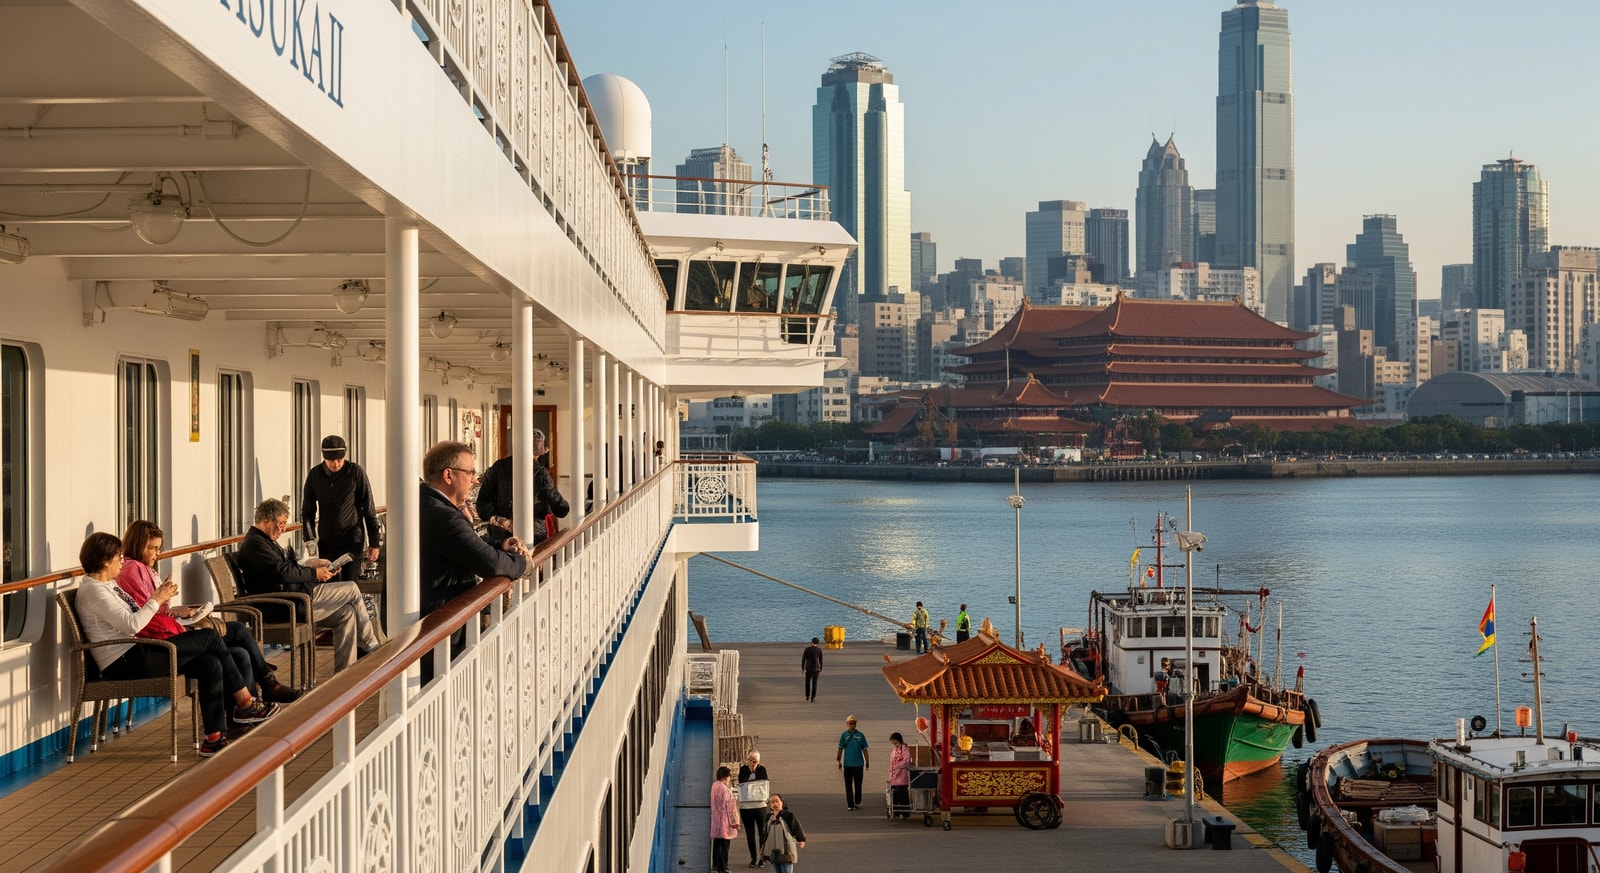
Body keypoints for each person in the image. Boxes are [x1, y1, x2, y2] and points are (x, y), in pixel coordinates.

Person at [74, 532, 278, 757]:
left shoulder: (108, 586)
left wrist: (167, 610)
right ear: (105, 561)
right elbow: (132, 624)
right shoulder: (93, 591)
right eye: (118, 557)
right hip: (125, 661)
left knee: (210, 664)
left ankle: (214, 738)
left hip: (139, 650)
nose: (122, 561)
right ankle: (245, 702)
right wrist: (157, 599)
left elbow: (135, 616)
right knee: (209, 637)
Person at [117, 520, 300, 704]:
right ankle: (265, 688)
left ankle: (251, 708)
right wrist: (162, 598)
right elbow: (145, 614)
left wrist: (175, 609)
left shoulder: (144, 569)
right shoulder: (132, 569)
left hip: (167, 629)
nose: (157, 554)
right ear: (137, 544)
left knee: (240, 653)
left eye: (159, 549)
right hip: (159, 640)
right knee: (236, 631)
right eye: (152, 548)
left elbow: (151, 609)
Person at [235, 498, 383, 671]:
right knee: (351, 588)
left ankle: (343, 676)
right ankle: (370, 644)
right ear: (266, 521)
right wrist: (315, 574)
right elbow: (284, 573)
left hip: (292, 599)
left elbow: (284, 569)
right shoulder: (256, 544)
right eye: (281, 524)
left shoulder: (263, 541)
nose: (283, 529)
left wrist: (312, 564)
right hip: (285, 605)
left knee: (347, 613)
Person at [420, 440, 528, 616]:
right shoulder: (445, 517)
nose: (475, 480)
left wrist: (501, 546)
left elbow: (465, 544)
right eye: (470, 472)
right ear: (448, 475)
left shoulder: (423, 501)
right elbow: (491, 563)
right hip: (437, 627)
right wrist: (523, 561)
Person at [300, 435, 381, 582]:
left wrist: (374, 543)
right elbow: (307, 511)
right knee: (329, 584)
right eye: (331, 460)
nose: (336, 464)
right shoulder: (315, 475)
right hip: (326, 540)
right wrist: (310, 539)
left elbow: (369, 508)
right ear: (324, 458)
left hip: (352, 539)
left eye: (339, 459)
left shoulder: (355, 472)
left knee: (350, 584)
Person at [473, 429, 570, 548]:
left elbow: (481, 505)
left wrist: (500, 520)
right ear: (539, 453)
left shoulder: (498, 467)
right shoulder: (540, 474)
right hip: (532, 538)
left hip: (499, 539)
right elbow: (562, 510)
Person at [737, 751, 770, 867]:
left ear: (758, 761)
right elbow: (742, 783)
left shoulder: (762, 770)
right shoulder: (743, 770)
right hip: (746, 807)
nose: (751, 763)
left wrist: (752, 782)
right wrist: (751, 774)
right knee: (750, 833)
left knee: (762, 833)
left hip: (760, 806)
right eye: (750, 760)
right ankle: (753, 857)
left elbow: (764, 785)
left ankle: (762, 857)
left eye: (754, 761)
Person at [761, 794, 806, 873]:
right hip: (773, 849)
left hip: (786, 849)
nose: (775, 804)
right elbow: (765, 832)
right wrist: (763, 847)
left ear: (782, 802)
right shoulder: (769, 817)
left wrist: (801, 840)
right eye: (772, 802)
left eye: (777, 801)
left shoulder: (788, 816)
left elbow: (796, 827)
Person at [709, 765, 739, 873]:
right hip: (725, 820)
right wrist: (735, 821)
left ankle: (715, 864)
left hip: (716, 819)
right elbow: (730, 807)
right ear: (726, 777)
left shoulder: (715, 786)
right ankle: (724, 866)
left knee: (717, 842)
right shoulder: (725, 790)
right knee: (725, 844)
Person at [835, 714, 869, 810]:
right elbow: (840, 748)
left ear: (856, 724)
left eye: (854, 723)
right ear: (847, 724)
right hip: (848, 764)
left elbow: (865, 749)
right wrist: (838, 760)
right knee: (848, 785)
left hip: (858, 764)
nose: (852, 725)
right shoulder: (844, 735)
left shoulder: (860, 736)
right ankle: (850, 804)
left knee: (858, 784)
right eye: (850, 723)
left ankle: (857, 800)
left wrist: (867, 761)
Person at [887, 732, 912, 819]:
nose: (894, 743)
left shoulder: (904, 749)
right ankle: (896, 813)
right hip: (894, 776)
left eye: (895, 741)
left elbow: (907, 760)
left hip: (902, 775)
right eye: (892, 742)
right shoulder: (894, 749)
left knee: (903, 795)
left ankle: (905, 813)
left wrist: (898, 766)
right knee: (895, 795)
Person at [801, 637, 823, 702]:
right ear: (818, 643)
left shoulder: (807, 649)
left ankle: (807, 696)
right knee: (814, 683)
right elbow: (821, 659)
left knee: (807, 683)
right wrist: (821, 667)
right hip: (816, 668)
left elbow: (803, 659)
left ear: (812, 642)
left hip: (808, 668)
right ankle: (813, 697)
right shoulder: (819, 650)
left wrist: (802, 668)